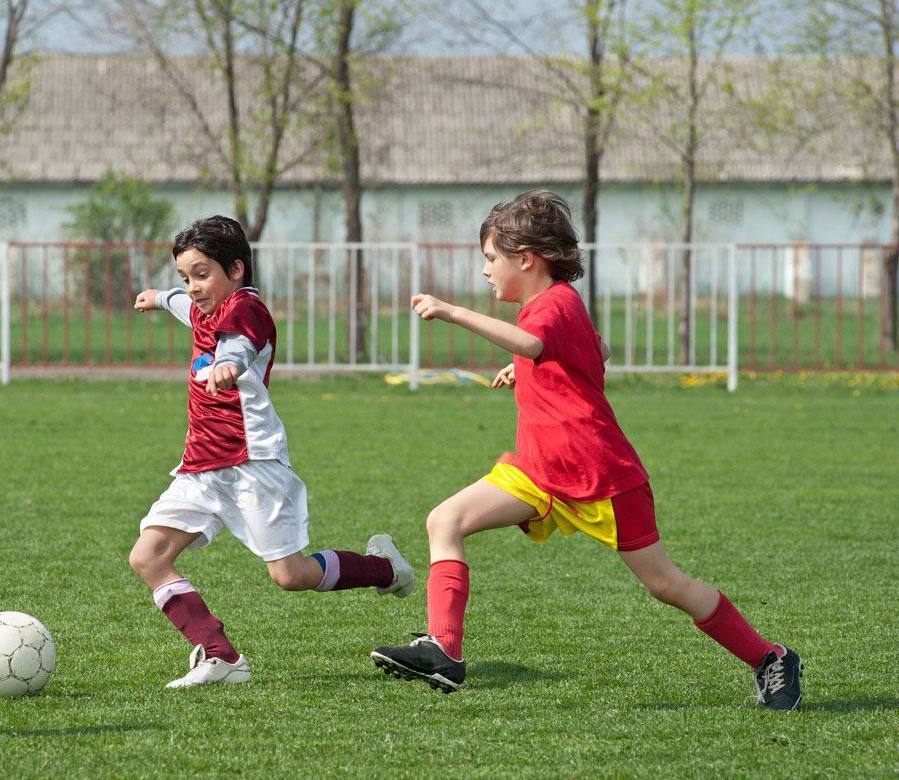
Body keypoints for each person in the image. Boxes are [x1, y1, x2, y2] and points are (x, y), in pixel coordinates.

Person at [370, 190, 802, 711]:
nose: (485, 271)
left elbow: (534, 343)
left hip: (601, 476)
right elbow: (596, 349)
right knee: (445, 521)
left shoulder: (553, 303)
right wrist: (534, 369)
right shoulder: (550, 308)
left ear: (525, 258)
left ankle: (770, 657)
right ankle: (444, 650)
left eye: (490, 258)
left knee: (665, 584)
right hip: (539, 471)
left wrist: (452, 312)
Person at [130, 215, 413, 688]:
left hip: (251, 462)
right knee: (148, 557)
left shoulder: (245, 309)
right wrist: (161, 298)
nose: (193, 286)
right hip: (201, 466)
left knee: (289, 574)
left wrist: (227, 365)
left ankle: (385, 567)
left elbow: (240, 346)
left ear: (236, 269)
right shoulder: (203, 303)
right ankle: (220, 656)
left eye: (202, 274)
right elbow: (186, 306)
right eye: (185, 276)